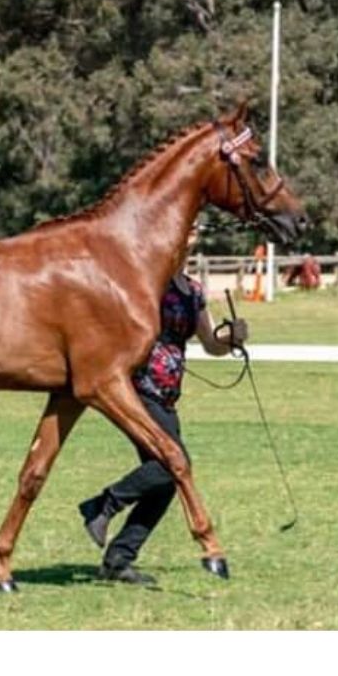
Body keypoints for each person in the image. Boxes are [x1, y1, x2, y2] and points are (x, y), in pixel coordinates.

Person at [78, 221, 249, 584]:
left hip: (169, 394)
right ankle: (104, 505)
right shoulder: (147, 285)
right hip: (139, 389)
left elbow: (210, 344)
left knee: (168, 479)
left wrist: (232, 339)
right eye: (183, 237)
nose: (188, 244)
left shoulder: (194, 291)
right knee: (176, 463)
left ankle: (117, 559)